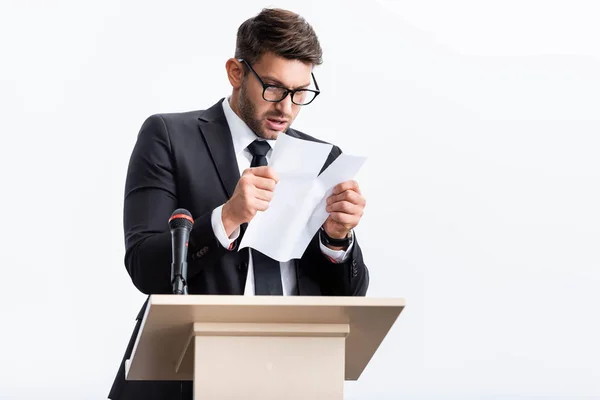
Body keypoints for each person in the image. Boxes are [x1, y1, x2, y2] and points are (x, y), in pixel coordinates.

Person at [108, 8, 369, 400]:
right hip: (188, 373)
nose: (286, 107)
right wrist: (227, 217)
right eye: (274, 88)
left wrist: (337, 240)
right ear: (236, 72)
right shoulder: (168, 136)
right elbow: (144, 265)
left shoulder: (322, 157)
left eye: (300, 93)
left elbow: (348, 298)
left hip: (295, 373)